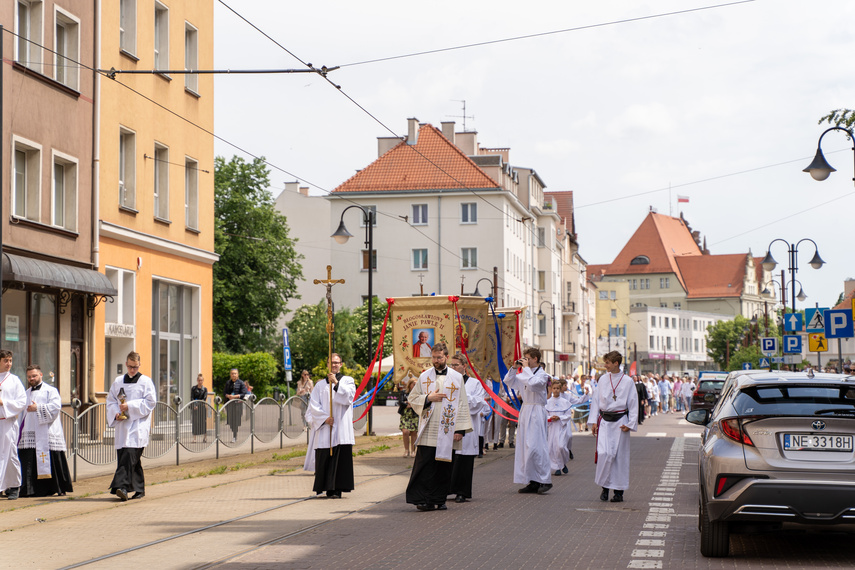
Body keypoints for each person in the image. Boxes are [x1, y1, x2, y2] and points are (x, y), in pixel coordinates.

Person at [405, 342, 472, 511]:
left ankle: (439, 499)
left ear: (446, 357)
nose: (436, 360)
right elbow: (412, 398)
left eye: (439, 357)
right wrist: (428, 398)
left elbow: (463, 403)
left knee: (443, 467)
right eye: (434, 357)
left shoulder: (456, 378)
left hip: (448, 430)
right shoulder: (425, 376)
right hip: (429, 428)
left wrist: (460, 430)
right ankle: (422, 499)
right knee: (424, 465)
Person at [303, 353, 356, 498]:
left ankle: (337, 489)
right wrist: (325, 418)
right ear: (327, 364)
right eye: (331, 362)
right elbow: (313, 406)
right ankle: (326, 487)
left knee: (339, 458)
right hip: (326, 427)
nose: (334, 364)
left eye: (337, 362)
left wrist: (336, 384)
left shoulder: (348, 381)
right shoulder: (320, 385)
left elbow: (349, 398)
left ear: (341, 364)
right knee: (326, 457)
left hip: (341, 428)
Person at [589, 350, 638, 503]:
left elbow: (633, 403)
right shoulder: (603, 379)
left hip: (620, 422)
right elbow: (596, 400)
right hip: (604, 421)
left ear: (616, 363)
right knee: (604, 454)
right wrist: (593, 422)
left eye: (608, 362)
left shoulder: (628, 381)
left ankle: (618, 492)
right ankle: (604, 487)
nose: (606, 365)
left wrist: (630, 424)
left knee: (619, 458)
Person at [107, 351, 156, 501]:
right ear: (126, 364)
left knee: (129, 456)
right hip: (122, 426)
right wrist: (116, 412)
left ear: (139, 365)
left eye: (135, 367)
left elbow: (150, 402)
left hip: (137, 426)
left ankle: (120, 487)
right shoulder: (118, 381)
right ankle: (139, 489)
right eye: (130, 367)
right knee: (129, 459)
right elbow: (111, 400)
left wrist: (130, 406)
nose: (132, 370)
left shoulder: (146, 382)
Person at [18, 365, 73, 497]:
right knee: (29, 460)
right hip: (30, 432)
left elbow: (55, 407)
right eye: (29, 376)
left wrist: (38, 407)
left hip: (47, 432)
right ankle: (30, 490)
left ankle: (58, 487)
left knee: (52, 459)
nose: (32, 378)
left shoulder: (51, 391)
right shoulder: (25, 393)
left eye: (34, 375)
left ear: (41, 375)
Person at [503, 347, 551, 494]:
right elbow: (508, 381)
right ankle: (532, 481)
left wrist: (525, 369)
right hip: (526, 410)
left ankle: (545, 480)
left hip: (537, 410)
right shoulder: (525, 373)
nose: (525, 361)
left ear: (535, 359)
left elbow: (533, 384)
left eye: (528, 358)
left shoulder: (543, 375)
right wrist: (514, 368)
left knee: (537, 447)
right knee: (525, 447)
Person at [448, 353, 488, 503]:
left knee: (464, 460)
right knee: (449, 458)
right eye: (451, 365)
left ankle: (462, 492)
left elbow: (478, 404)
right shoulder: (446, 382)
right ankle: (447, 489)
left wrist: (461, 394)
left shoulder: (474, 383)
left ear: (464, 366)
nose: (453, 367)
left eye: (456, 365)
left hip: (467, 426)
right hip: (449, 424)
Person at [0, 350, 26, 500]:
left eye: (10, 360)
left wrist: (4, 403)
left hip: (7, 422)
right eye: (5, 360)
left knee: (10, 454)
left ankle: (14, 486)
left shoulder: (14, 380)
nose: (9, 363)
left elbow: (22, 401)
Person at [546, 381, 572, 476]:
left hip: (561, 427)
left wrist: (560, 418)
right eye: (554, 388)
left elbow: (568, 415)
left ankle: (563, 462)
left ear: (560, 389)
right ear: (551, 389)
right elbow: (545, 415)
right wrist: (550, 418)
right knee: (552, 448)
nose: (556, 390)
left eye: (558, 388)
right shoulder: (547, 402)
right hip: (552, 427)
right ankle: (557, 467)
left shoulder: (565, 402)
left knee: (561, 446)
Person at [223, 368, 249, 443]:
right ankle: (234, 432)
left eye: (235, 373)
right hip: (229, 404)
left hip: (237, 405)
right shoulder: (228, 383)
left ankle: (235, 436)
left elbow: (244, 393)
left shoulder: (241, 383)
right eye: (232, 373)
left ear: (237, 374)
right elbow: (224, 392)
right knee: (231, 421)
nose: (234, 375)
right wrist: (228, 396)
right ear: (230, 375)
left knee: (236, 421)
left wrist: (235, 396)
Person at [398, 377, 418, 457]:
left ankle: (413, 450)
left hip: (414, 415)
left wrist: (410, 404)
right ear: (410, 385)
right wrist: (407, 404)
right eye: (414, 384)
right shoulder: (404, 392)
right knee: (405, 432)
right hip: (405, 415)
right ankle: (406, 450)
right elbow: (400, 402)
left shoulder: (418, 393)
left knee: (414, 433)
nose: (415, 386)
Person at [190, 373, 208, 443]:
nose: (200, 382)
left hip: (202, 407)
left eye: (201, 380)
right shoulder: (193, 388)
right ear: (197, 380)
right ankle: (194, 438)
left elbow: (204, 398)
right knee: (195, 422)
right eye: (199, 380)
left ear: (203, 381)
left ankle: (205, 437)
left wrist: (199, 404)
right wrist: (194, 405)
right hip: (195, 407)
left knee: (203, 422)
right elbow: (192, 397)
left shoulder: (205, 389)